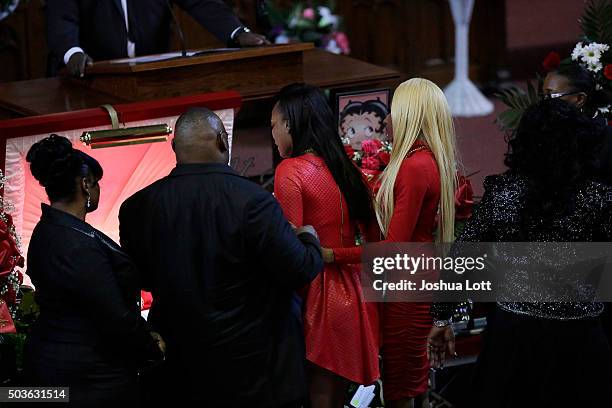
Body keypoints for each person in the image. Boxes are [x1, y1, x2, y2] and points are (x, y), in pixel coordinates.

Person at [119, 107, 323, 407]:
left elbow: (142, 279)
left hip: (179, 365)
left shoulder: (136, 207)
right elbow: (299, 269)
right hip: (251, 366)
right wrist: (308, 237)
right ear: (222, 141)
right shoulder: (254, 200)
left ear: (175, 148)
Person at [429, 99, 612, 407]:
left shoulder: (504, 194)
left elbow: (463, 256)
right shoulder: (597, 199)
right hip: (577, 339)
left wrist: (441, 316)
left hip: (513, 338)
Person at [324, 78, 458, 408]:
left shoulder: (414, 167)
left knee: (400, 386)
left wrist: (332, 254)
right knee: (411, 381)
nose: (387, 120)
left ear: (410, 115)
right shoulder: (425, 160)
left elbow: (395, 244)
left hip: (407, 283)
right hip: (417, 276)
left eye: (394, 111)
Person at [24, 134, 165, 407]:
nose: (99, 188)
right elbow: (113, 315)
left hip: (56, 364)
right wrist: (151, 347)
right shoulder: (75, 244)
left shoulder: (51, 230)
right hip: (86, 376)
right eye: (96, 182)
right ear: (85, 184)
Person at [272, 83, 381, 408]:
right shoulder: (349, 170)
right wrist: (337, 254)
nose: (274, 134)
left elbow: (291, 250)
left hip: (316, 297)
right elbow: (379, 248)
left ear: (290, 124)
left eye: (274, 125)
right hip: (357, 296)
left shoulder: (290, 170)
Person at [46, 0, 270, 77]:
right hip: (92, 75)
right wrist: (72, 52)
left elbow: (202, 3)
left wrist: (237, 33)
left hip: (148, 75)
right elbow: (61, 17)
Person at [542, 61, 612, 183]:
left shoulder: (607, 140)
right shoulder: (545, 131)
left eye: (551, 96)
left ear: (579, 99)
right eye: (543, 96)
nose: (544, 103)